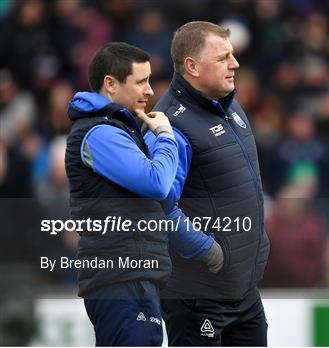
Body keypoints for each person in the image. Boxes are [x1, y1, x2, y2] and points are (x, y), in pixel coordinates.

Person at [146, 21, 270, 346]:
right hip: (199, 296)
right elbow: (157, 207)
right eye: (223, 57)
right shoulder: (171, 127)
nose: (235, 64)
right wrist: (208, 251)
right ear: (192, 66)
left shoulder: (228, 104)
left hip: (242, 289)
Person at [64, 42, 178, 346]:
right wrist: (166, 137)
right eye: (141, 81)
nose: (150, 91)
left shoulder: (119, 129)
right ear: (111, 84)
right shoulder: (100, 133)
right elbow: (157, 182)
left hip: (133, 275)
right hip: (121, 278)